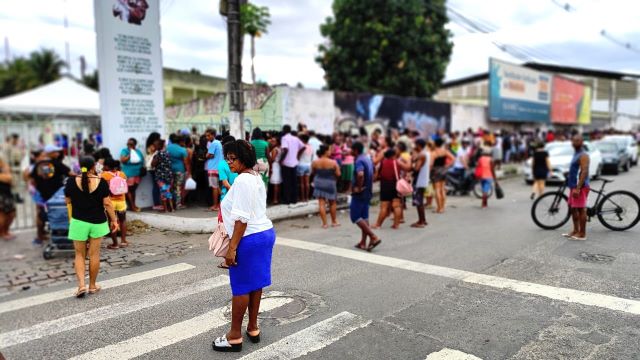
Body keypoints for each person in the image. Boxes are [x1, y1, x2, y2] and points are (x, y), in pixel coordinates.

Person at [212, 140, 275, 353]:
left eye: (233, 158)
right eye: (227, 158)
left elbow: (241, 219)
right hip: (264, 233)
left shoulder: (241, 181)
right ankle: (253, 327)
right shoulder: (256, 177)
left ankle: (234, 336)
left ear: (243, 159)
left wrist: (232, 249)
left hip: (248, 238)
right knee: (255, 284)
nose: (229, 162)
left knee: (240, 288)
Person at [65, 157, 118, 297]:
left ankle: (81, 285)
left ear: (80, 166)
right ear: (93, 166)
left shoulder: (71, 181)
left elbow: (68, 201)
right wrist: (114, 220)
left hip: (78, 222)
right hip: (98, 222)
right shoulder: (101, 182)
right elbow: (107, 203)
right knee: (94, 255)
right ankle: (93, 286)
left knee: (79, 255)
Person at [30, 145, 72, 245]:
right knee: (58, 213)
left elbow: (32, 179)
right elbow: (71, 173)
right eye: (55, 151)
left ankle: (39, 237)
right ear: (50, 153)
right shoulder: (57, 163)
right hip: (56, 195)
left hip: (42, 195)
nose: (58, 153)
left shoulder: (38, 164)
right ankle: (60, 233)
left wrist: (39, 189)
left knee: (41, 215)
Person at [350, 142, 381, 251]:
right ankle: (363, 242)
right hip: (368, 191)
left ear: (355, 150)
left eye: (351, 149)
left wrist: (358, 187)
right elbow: (375, 170)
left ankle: (373, 236)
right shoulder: (367, 158)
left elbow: (360, 174)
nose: (350, 151)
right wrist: (370, 183)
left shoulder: (359, 160)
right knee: (364, 217)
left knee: (355, 216)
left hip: (360, 193)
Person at [373, 148, 410, 229]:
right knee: (396, 205)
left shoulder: (382, 163)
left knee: (384, 207)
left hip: (385, 185)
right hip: (396, 185)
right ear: (393, 155)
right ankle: (396, 225)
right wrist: (407, 159)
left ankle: (378, 224)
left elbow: (375, 177)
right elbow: (408, 167)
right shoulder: (397, 162)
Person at [563, 135, 590, 241]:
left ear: (582, 142)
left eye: (577, 141)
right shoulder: (576, 153)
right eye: (573, 141)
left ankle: (582, 233)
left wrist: (578, 188)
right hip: (573, 186)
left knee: (580, 209)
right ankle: (575, 230)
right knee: (573, 208)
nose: (575, 142)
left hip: (580, 187)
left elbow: (584, 171)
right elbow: (575, 168)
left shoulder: (583, 155)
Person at [101, 159, 129, 249]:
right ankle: (123, 241)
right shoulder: (122, 174)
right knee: (123, 220)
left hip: (111, 201)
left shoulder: (104, 175)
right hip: (121, 201)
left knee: (112, 221)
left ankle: (115, 244)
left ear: (107, 166)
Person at [311, 145, 341, 228]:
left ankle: (324, 224)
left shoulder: (315, 162)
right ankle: (334, 222)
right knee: (332, 203)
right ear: (326, 151)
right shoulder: (333, 162)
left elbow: (313, 172)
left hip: (319, 182)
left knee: (321, 203)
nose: (330, 152)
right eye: (329, 150)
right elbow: (338, 174)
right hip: (330, 182)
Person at [279, 125, 305, 206]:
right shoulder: (296, 138)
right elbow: (303, 147)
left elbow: (285, 149)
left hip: (286, 163)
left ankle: (287, 200)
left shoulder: (284, 138)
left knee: (287, 182)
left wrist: (281, 160)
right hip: (294, 162)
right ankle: (294, 199)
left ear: (284, 130)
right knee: (294, 182)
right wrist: (298, 155)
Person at [430, 138, 455, 214]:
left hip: (436, 170)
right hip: (443, 170)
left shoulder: (433, 153)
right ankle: (443, 207)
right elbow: (453, 159)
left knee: (437, 189)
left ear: (435, 143)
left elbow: (431, 164)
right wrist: (447, 166)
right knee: (442, 189)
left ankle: (439, 208)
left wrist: (429, 171)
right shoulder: (445, 151)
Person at [120, 138, 144, 212]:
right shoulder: (125, 151)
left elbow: (142, 160)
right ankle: (132, 206)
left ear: (134, 145)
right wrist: (130, 153)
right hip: (128, 175)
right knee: (128, 191)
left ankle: (133, 205)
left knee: (133, 190)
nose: (129, 145)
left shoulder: (138, 151)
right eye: (128, 144)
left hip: (137, 174)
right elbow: (123, 160)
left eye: (131, 144)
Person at [151, 139, 174, 212]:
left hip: (160, 176)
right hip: (168, 175)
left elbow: (153, 164)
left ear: (158, 146)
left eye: (154, 146)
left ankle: (166, 209)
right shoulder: (168, 153)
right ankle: (172, 208)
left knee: (163, 192)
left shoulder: (158, 154)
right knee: (168, 191)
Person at [167, 133, 189, 209]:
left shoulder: (167, 148)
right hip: (180, 170)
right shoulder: (182, 150)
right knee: (178, 187)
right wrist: (188, 172)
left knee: (171, 187)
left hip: (169, 170)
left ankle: (171, 203)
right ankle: (178, 204)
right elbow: (186, 162)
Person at [411, 139, 430, 228]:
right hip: (423, 179)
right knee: (420, 201)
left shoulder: (422, 154)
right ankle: (422, 220)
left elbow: (417, 168)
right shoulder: (426, 153)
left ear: (418, 145)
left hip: (419, 180)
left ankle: (421, 221)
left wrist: (412, 167)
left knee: (418, 201)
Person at [206, 129, 223, 211]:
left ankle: (215, 205)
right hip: (219, 168)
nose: (207, 137)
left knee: (214, 187)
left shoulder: (213, 144)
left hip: (213, 168)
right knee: (219, 187)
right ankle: (220, 205)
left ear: (213, 135)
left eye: (208, 135)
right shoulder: (219, 143)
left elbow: (209, 155)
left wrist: (206, 155)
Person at [0, 155, 16, 241]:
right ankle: (2, 233)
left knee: (11, 214)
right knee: (2, 215)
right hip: (1, 195)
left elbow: (11, 180)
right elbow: (8, 178)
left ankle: (6, 231)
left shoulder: (3, 168)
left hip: (7, 193)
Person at [218, 136, 238, 201]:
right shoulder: (240, 162)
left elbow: (225, 184)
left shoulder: (221, 164)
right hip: (234, 197)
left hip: (226, 197)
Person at [146, 132, 162, 210]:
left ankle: (157, 203)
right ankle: (156, 204)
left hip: (154, 168)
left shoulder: (150, 145)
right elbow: (154, 153)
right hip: (153, 168)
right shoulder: (152, 146)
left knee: (157, 185)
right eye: (158, 138)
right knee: (156, 186)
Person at [297, 134, 314, 204]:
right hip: (309, 165)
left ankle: (303, 198)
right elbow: (312, 156)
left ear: (302, 140)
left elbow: (298, 156)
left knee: (302, 183)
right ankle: (307, 198)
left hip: (301, 164)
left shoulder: (301, 147)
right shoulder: (311, 147)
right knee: (307, 183)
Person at [268, 136, 282, 205]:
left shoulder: (274, 149)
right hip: (278, 166)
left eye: (274, 141)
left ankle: (275, 199)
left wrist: (269, 159)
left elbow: (272, 159)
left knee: (275, 184)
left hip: (274, 166)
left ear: (277, 142)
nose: (272, 142)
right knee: (278, 184)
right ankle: (278, 198)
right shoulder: (279, 148)